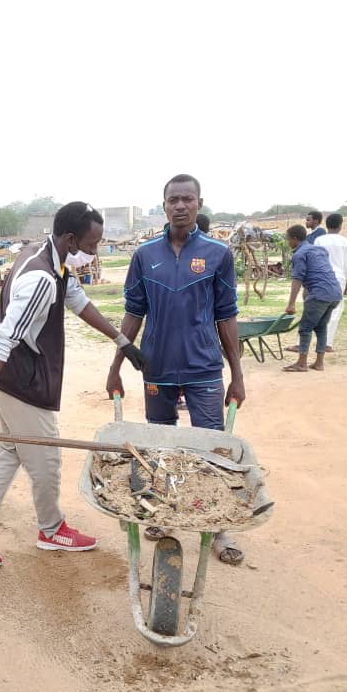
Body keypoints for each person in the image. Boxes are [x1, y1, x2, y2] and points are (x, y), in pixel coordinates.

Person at [0, 202, 146, 566]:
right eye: (93, 243)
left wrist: (122, 341)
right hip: (21, 383)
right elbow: (2, 339)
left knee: (10, 451)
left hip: (10, 379)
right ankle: (51, 529)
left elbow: (79, 302)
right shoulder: (41, 278)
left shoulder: (50, 258)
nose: (95, 251)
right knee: (46, 458)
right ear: (71, 240)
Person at [108, 175, 246, 565]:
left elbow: (227, 317)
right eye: (174, 199)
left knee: (211, 447)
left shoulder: (218, 254)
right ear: (164, 204)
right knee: (162, 446)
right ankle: (164, 513)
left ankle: (217, 526)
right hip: (157, 367)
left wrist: (237, 375)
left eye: (188, 199)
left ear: (199, 203)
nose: (181, 205)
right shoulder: (144, 254)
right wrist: (117, 365)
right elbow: (134, 313)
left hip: (203, 367)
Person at [282, 225, 343, 372]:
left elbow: (297, 279)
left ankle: (302, 363)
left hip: (319, 294)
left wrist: (291, 304)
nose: (288, 242)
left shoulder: (299, 254)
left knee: (305, 328)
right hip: (335, 293)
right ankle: (319, 363)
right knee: (321, 327)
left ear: (295, 238)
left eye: (288, 239)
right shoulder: (319, 250)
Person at [314, 213, 347, 351]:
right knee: (336, 309)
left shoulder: (319, 240)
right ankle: (327, 343)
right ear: (340, 225)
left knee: (317, 307)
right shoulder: (344, 241)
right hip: (339, 277)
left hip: (321, 276)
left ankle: (309, 340)